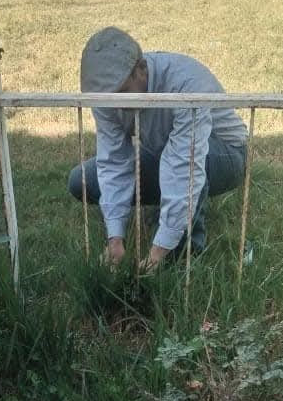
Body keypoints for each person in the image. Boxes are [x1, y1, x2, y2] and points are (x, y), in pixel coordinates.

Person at [69, 27, 248, 270]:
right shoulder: (105, 93)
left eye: (122, 93)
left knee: (187, 163)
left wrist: (156, 255)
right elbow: (113, 160)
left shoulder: (185, 82)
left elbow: (184, 164)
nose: (116, 104)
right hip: (165, 151)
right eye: (108, 97)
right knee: (83, 180)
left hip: (226, 154)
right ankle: (169, 213)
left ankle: (182, 254)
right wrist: (115, 239)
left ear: (142, 69)